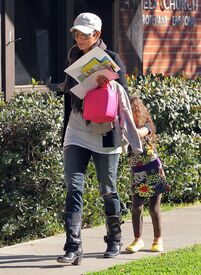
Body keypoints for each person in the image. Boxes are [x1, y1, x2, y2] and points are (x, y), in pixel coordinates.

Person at [57, 12, 142, 265]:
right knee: (73, 188)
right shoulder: (73, 57)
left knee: (108, 190)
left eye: (85, 34)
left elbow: (124, 97)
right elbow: (69, 96)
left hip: (106, 133)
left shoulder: (112, 59)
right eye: (76, 33)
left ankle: (114, 239)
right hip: (76, 130)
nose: (79, 37)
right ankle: (73, 246)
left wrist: (107, 85)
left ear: (97, 35)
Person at [125, 96, 170, 254]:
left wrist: (127, 126)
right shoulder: (125, 130)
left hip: (153, 172)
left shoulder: (147, 125)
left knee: (153, 208)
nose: (129, 115)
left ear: (138, 111)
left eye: (131, 111)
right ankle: (138, 239)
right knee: (136, 207)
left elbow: (139, 133)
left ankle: (158, 239)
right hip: (138, 175)